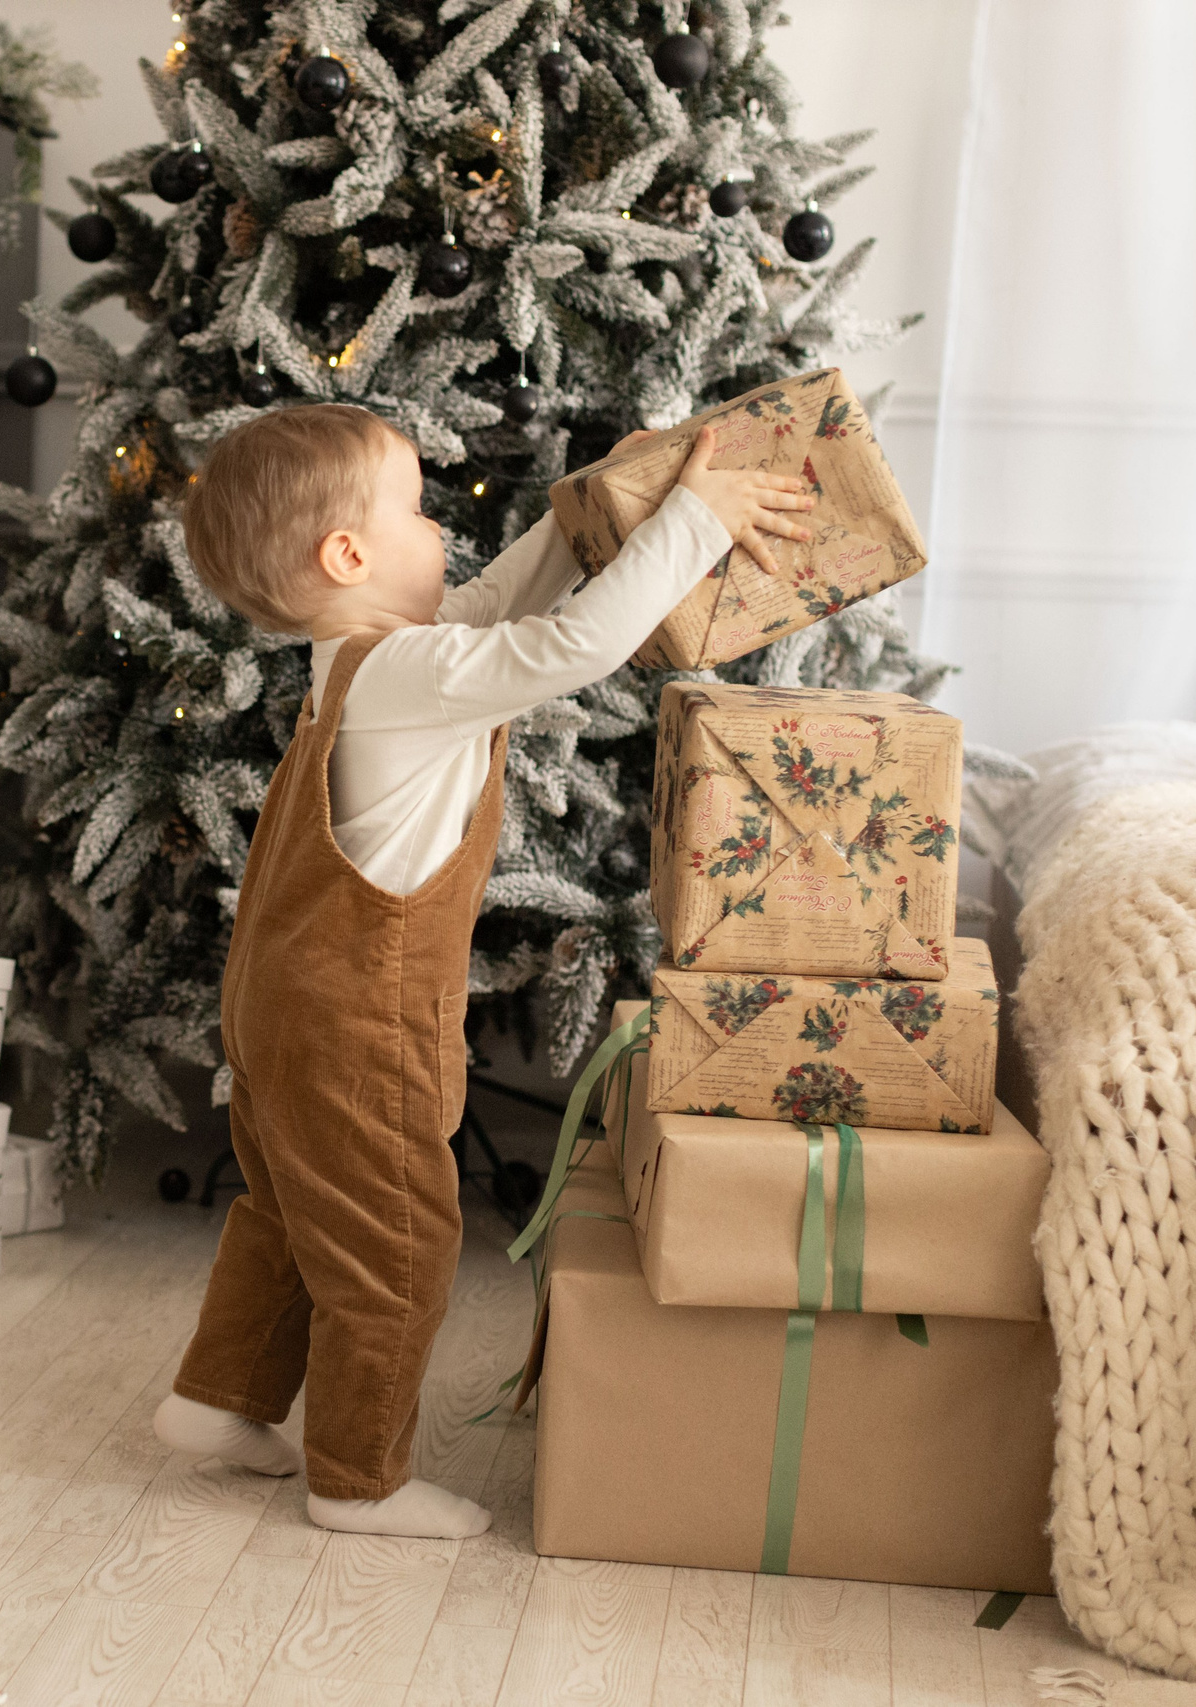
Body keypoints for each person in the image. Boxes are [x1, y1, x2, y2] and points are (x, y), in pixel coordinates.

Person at [158, 403, 813, 1538]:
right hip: (356, 1019)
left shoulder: (361, 659)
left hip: (278, 1007)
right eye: (414, 512)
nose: (439, 533)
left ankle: (217, 1401)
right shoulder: (408, 673)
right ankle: (356, 1480)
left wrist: (581, 511)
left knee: (284, 1213)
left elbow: (499, 603)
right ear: (348, 556)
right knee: (395, 1240)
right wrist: (694, 521)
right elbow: (568, 648)